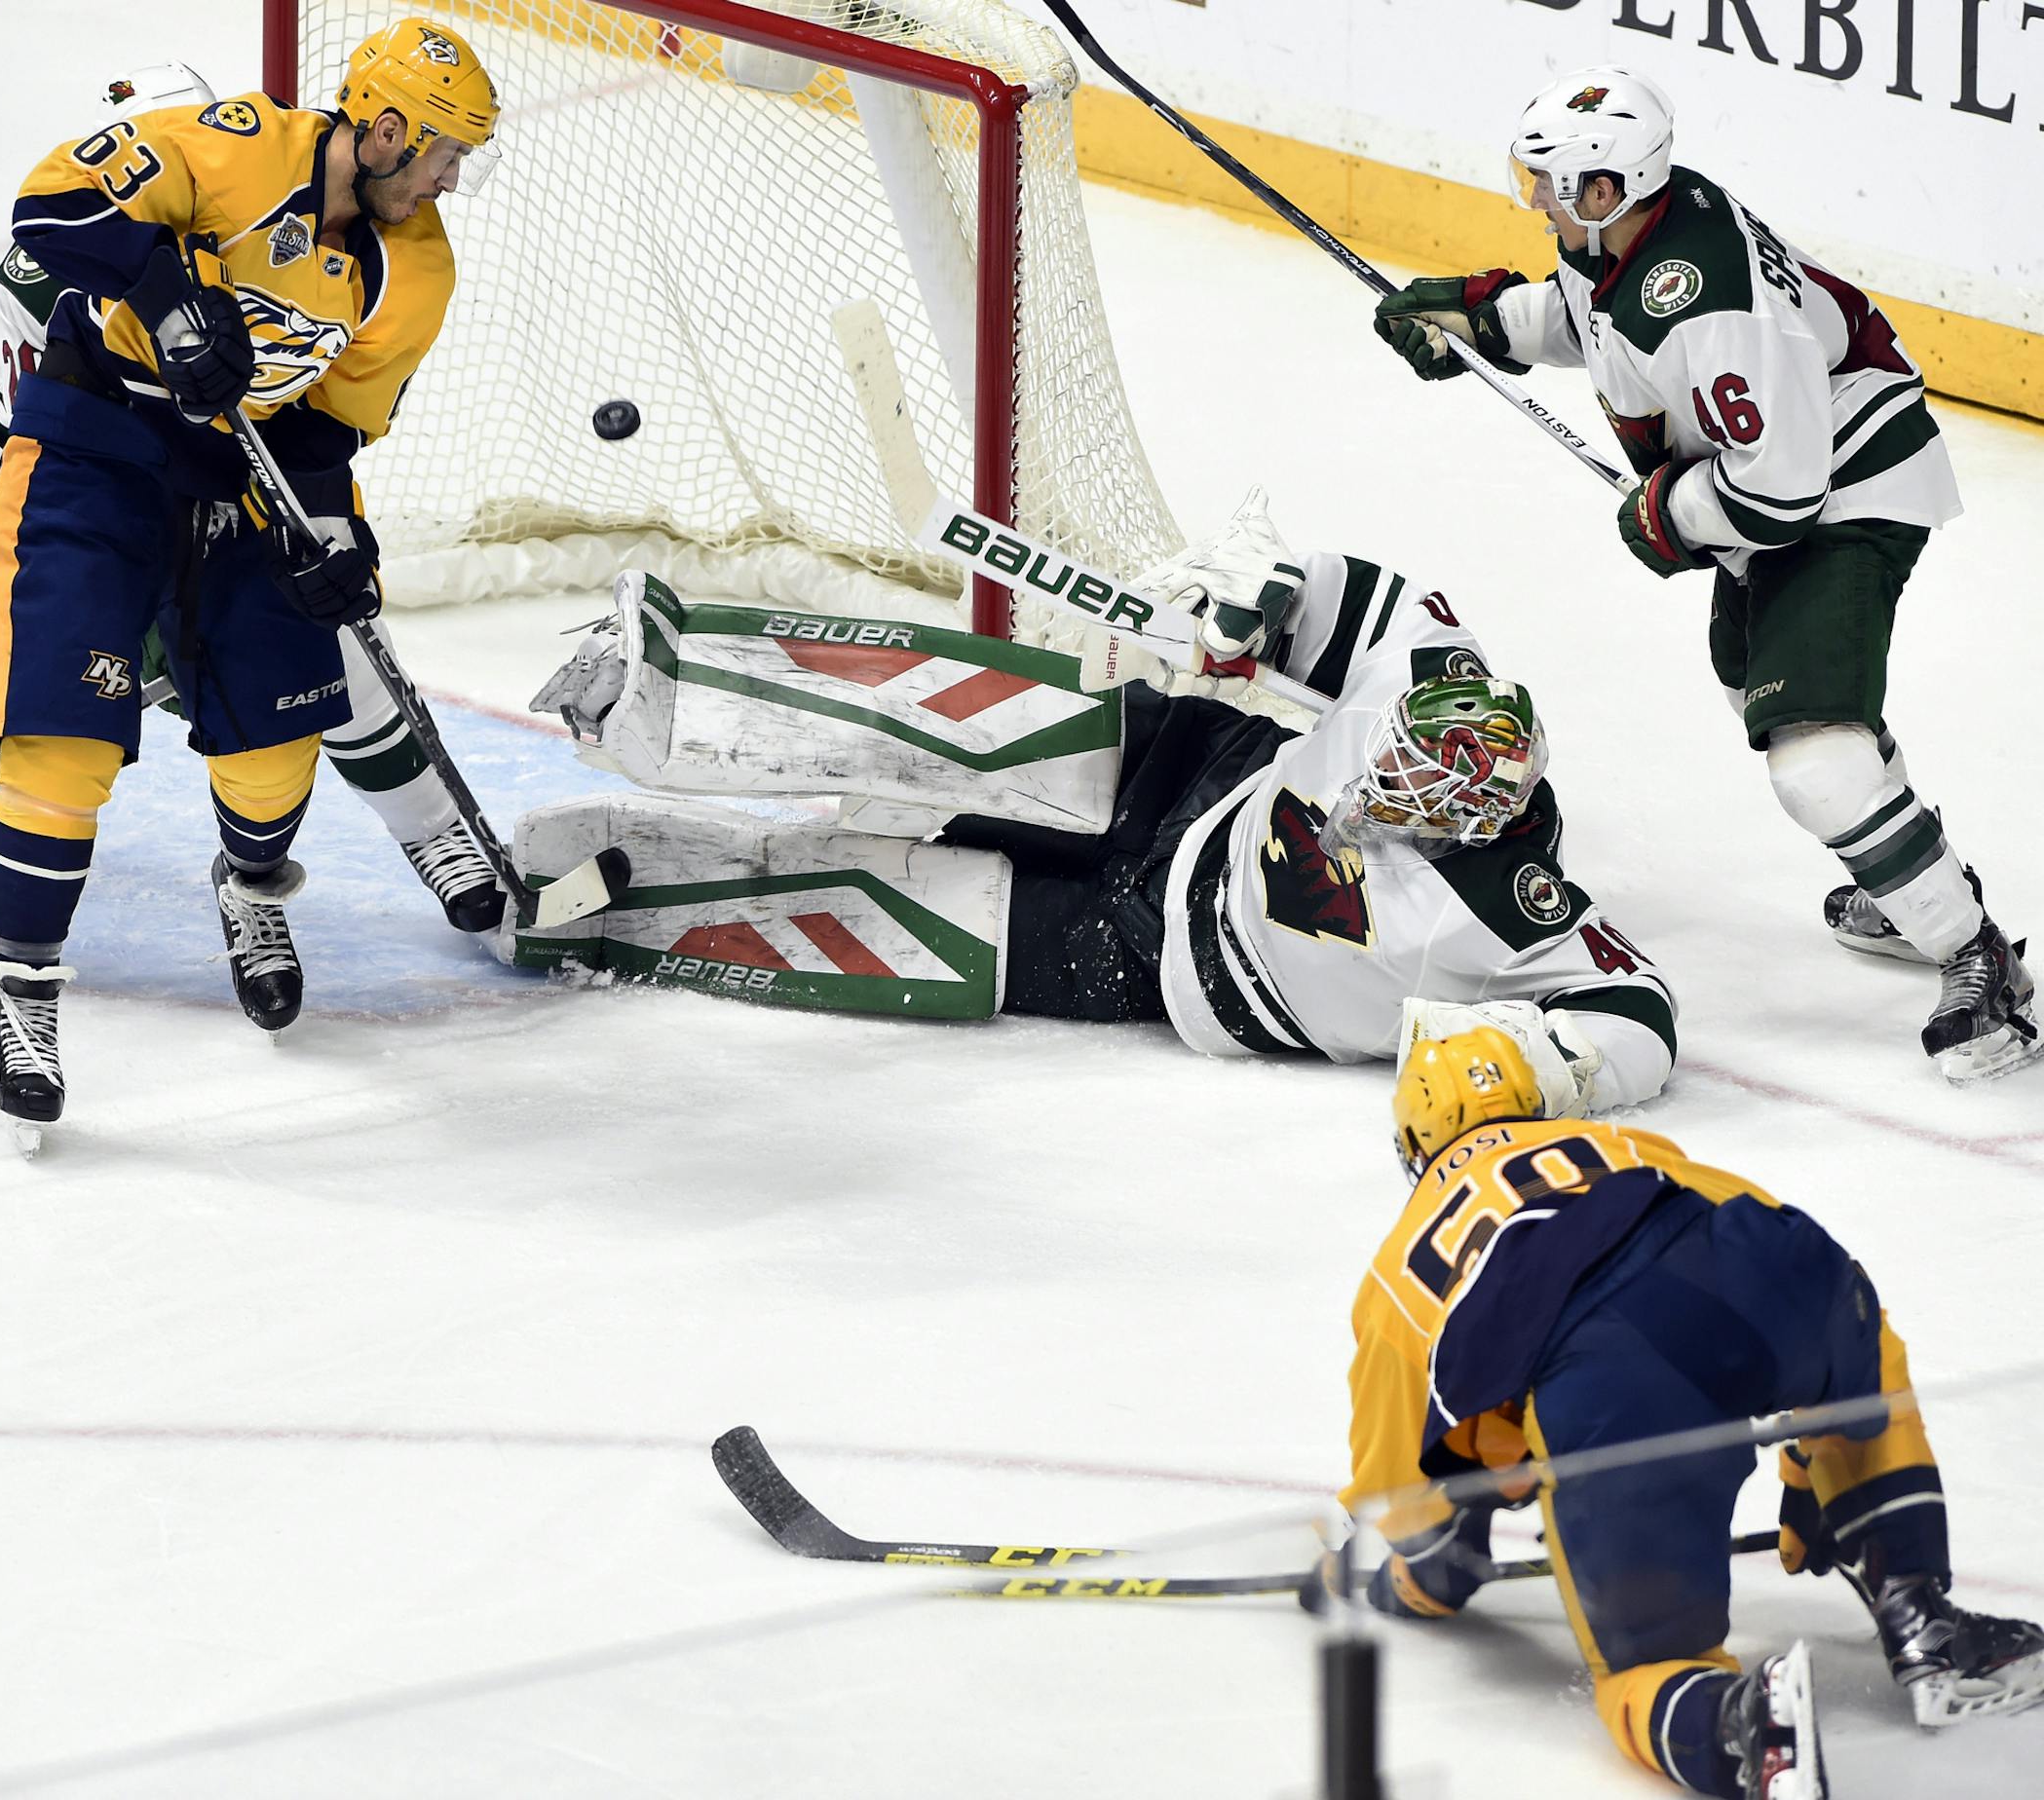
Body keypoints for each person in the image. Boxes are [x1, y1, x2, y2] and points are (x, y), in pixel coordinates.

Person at [524, 492, 1678, 1112]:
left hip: (1159, 967)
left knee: (895, 916)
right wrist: (1269, 604)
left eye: (1405, 795)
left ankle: (620, 913)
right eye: (1388, 763)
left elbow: (1640, 1013)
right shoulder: (1428, 688)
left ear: (1469, 822)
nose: (1374, 787)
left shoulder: (1512, 908)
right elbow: (1368, 602)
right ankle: (675, 677)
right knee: (967, 718)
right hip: (1199, 779)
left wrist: (1538, 1067)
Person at [1369, 65, 2035, 1086]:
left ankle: (1977, 958)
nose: (1534, 198)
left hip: (1847, 494)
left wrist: (1668, 514)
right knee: (1758, 689)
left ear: (1605, 190)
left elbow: (1782, 494)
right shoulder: (1641, 230)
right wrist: (1484, 321)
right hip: (1792, 484)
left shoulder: (1711, 300)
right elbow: (1598, 321)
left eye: (1549, 182)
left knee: (1817, 760)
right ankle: (1909, 882)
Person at [0, 18, 499, 1131]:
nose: (452, 179)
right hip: (95, 444)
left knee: (274, 747)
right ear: (386, 128)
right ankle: (26, 998)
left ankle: (252, 886)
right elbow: (49, 207)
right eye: (446, 151)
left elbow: (326, 429)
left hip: (241, 478)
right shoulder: (235, 148)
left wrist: (335, 539)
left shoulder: (417, 269)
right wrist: (166, 298)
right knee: (62, 747)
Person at [1342, 1027, 2044, 1797]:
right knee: (1860, 1339)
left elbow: (1406, 1498)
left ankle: (1745, 1726)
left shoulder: (1394, 1277)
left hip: (1610, 1379)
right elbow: (1792, 1248)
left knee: (1649, 1666)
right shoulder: (1613, 1142)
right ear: (1535, 1101)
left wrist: (1420, 1579)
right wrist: (1818, 1463)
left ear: (1413, 1146)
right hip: (1745, 1263)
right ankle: (1919, 1610)